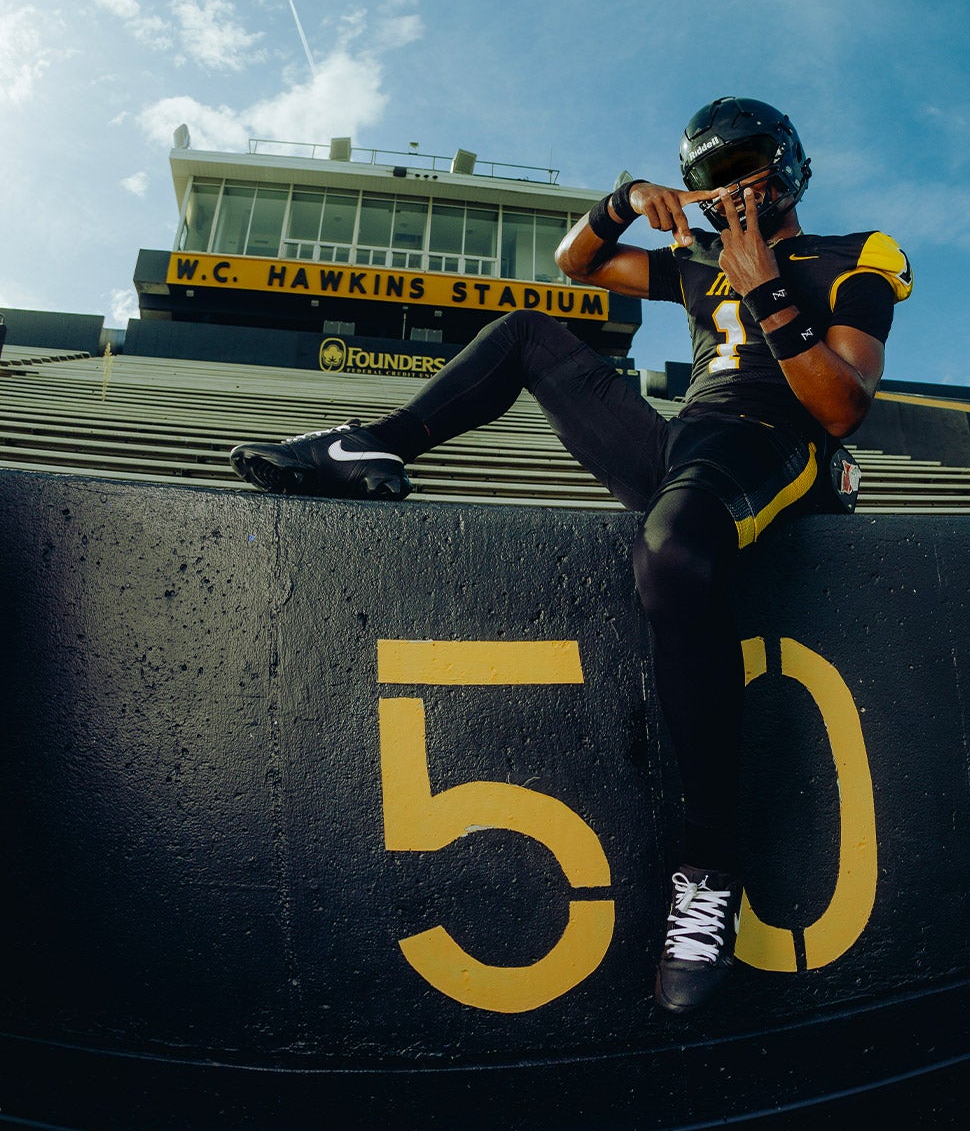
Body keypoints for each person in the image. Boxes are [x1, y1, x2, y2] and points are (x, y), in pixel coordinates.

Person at [229, 97, 912, 1013]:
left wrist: (764, 288)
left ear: (786, 164)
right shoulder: (696, 263)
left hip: (776, 435)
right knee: (526, 331)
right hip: (690, 439)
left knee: (673, 556)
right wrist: (628, 196)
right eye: (709, 174)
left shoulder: (857, 253)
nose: (728, 185)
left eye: (744, 162)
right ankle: (378, 443)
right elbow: (577, 263)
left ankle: (709, 870)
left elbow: (840, 404)